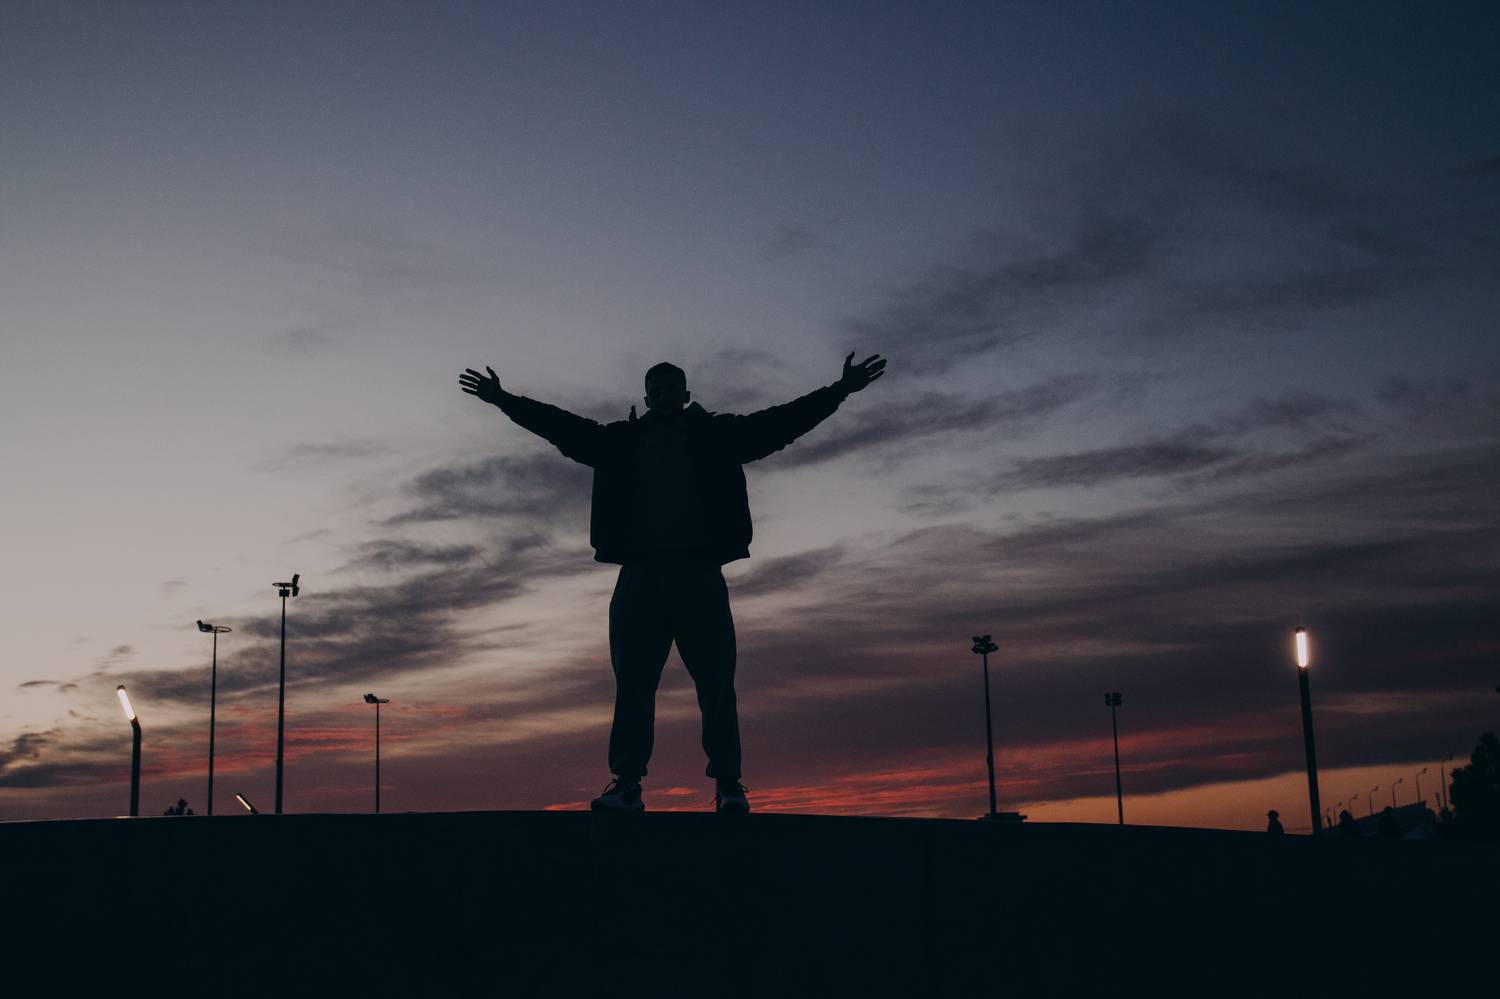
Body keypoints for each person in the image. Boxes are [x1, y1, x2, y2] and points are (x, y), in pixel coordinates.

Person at [458, 352, 887, 813]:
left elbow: (781, 423)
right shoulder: (620, 442)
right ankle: (627, 784)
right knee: (633, 686)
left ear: (685, 395)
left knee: (716, 685)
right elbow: (562, 427)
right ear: (646, 399)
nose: (663, 397)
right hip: (640, 577)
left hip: (699, 575)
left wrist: (839, 391)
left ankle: (729, 786)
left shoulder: (718, 436)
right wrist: (504, 400)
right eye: (656, 391)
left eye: (671, 390)